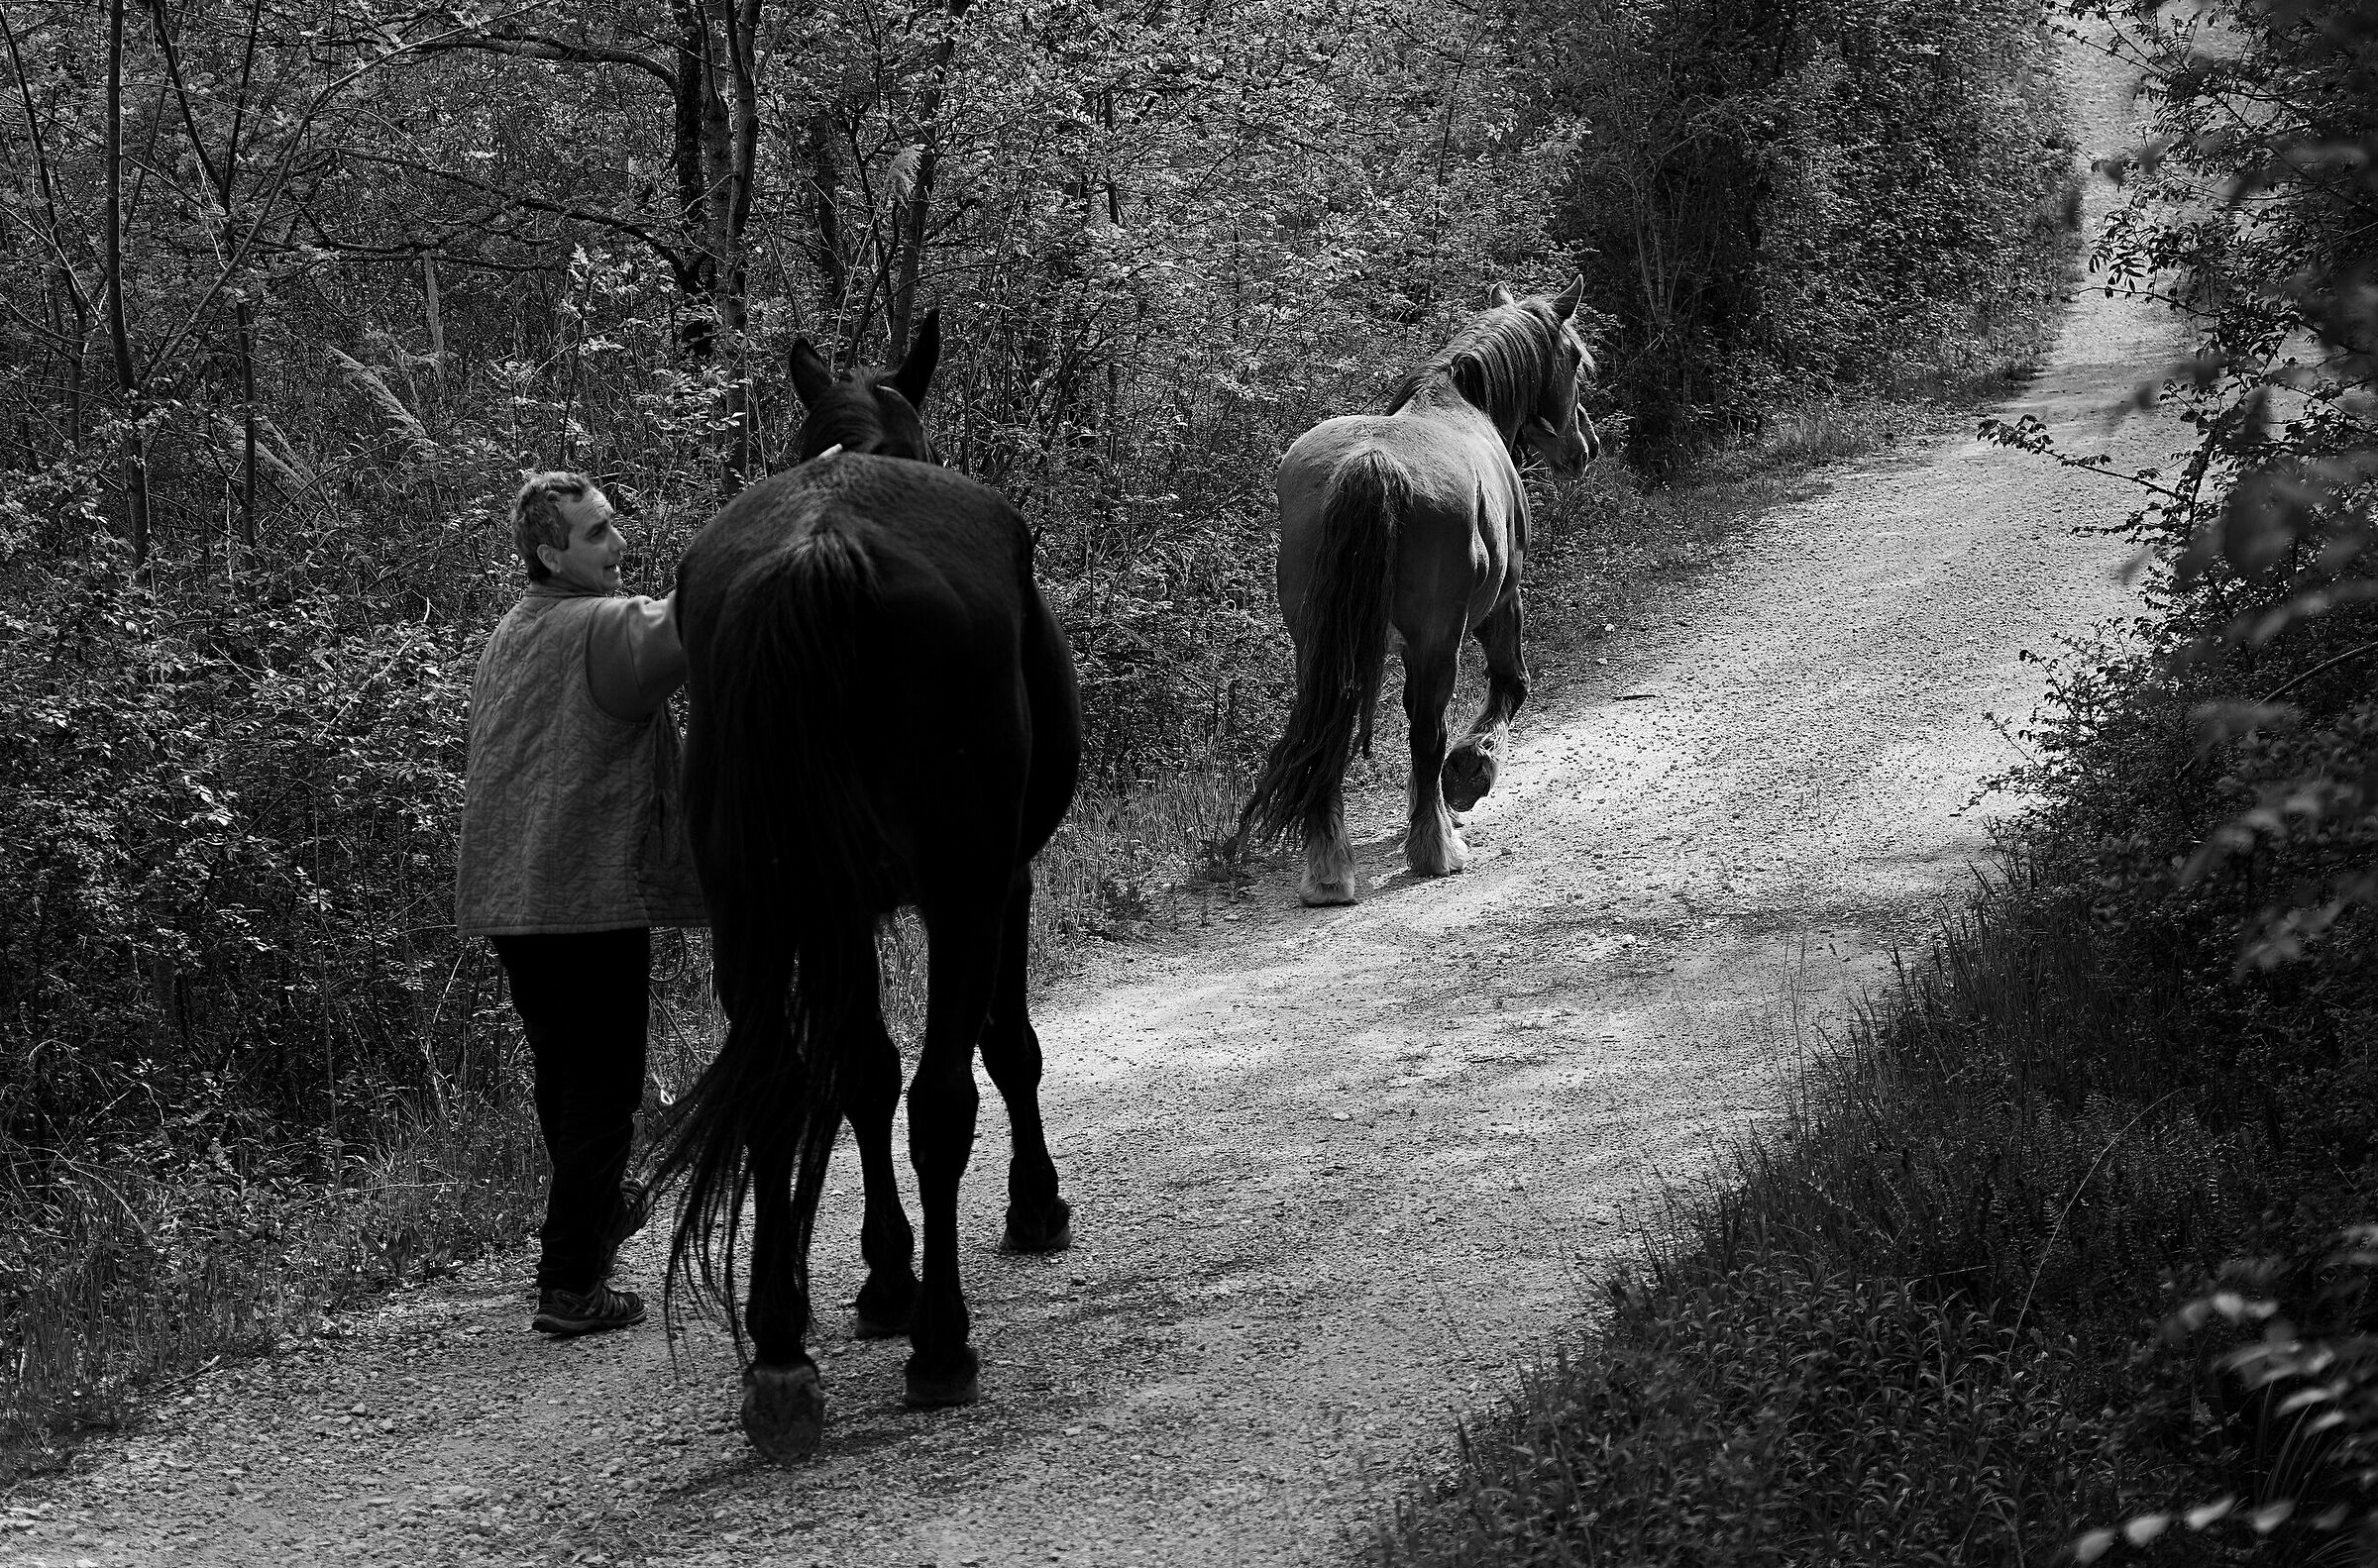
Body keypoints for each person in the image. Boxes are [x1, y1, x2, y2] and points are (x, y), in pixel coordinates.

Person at [456, 470, 709, 1336]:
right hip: (585, 898)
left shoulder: (512, 629)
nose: (619, 544)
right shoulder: (603, 628)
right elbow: (698, 615)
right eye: (598, 533)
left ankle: (594, 1219)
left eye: (612, 528)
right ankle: (570, 1282)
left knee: (567, 1079)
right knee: (604, 1087)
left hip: (514, 900)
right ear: (548, 552)